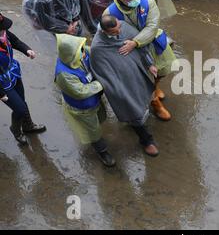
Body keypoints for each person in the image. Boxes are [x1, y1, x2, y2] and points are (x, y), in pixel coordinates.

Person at [103, 0, 177, 121]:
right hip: (131, 52)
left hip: (151, 42)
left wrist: (136, 42)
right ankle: (155, 103)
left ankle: (156, 86)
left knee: (163, 70)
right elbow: (109, 36)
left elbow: (152, 27)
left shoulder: (148, 2)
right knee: (143, 80)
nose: (137, 0)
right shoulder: (110, 13)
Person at [91, 15, 160, 157]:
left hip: (138, 75)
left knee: (145, 97)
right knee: (131, 107)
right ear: (104, 32)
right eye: (114, 32)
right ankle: (146, 140)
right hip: (122, 84)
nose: (119, 33)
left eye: (118, 28)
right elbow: (104, 74)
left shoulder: (123, 26)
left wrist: (150, 64)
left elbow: (142, 45)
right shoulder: (98, 47)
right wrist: (117, 90)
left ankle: (146, 112)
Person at [54, 34, 115, 167]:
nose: (83, 52)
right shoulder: (63, 74)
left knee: (99, 118)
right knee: (92, 130)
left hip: (95, 98)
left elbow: (95, 52)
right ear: (71, 54)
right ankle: (102, 151)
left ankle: (98, 139)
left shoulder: (82, 52)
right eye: (80, 50)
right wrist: (102, 83)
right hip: (83, 107)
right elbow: (80, 92)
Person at [0, 13, 46, 145]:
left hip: (12, 72)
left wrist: (27, 50)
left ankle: (28, 126)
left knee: (22, 101)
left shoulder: (4, 34)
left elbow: (16, 42)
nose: (4, 31)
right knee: (19, 108)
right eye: (1, 29)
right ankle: (16, 130)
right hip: (2, 84)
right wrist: (1, 93)